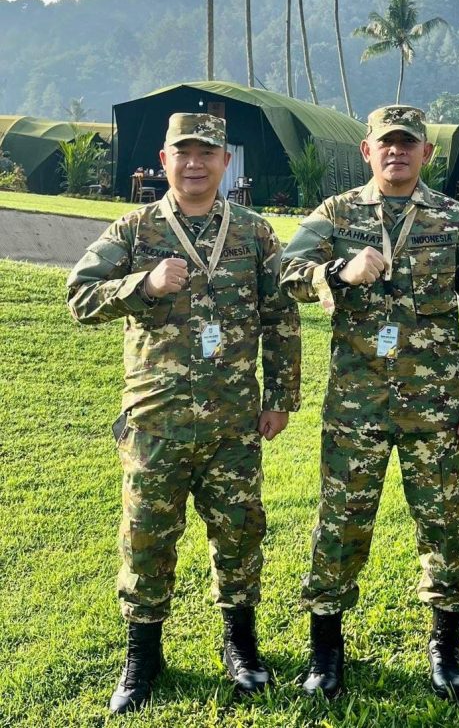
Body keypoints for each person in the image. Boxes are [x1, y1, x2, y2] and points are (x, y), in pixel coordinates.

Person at [67, 113, 301, 714]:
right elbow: (79, 297)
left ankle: (241, 647)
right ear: (164, 161)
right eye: (183, 152)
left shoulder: (254, 233)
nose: (195, 163)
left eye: (207, 153)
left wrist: (280, 397)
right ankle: (143, 657)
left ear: (226, 162)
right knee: (145, 542)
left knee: (240, 536)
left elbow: (280, 317)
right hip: (155, 423)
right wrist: (141, 284)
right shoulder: (134, 228)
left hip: (233, 424)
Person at [280, 105, 459, 700]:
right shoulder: (338, 214)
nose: (397, 152)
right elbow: (285, 272)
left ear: (426, 154)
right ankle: (325, 654)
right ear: (367, 151)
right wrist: (338, 271)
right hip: (356, 408)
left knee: (444, 525)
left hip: (435, 410)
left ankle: (445, 647)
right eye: (387, 143)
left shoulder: (454, 220)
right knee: (340, 526)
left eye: (409, 144)